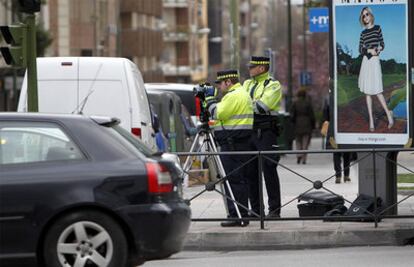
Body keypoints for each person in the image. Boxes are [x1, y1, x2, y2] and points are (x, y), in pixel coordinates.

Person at [204, 69, 254, 227]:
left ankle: (236, 215)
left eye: (220, 84)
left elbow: (218, 113)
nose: (219, 88)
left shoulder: (233, 96)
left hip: (232, 144)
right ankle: (241, 213)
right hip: (238, 143)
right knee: (239, 179)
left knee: (233, 180)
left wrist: (210, 100)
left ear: (228, 82)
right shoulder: (241, 93)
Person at [243, 56, 282, 218]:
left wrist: (245, 103)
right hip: (249, 132)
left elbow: (262, 106)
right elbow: (249, 104)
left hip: (266, 133)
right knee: (250, 173)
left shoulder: (273, 85)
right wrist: (249, 103)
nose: (249, 69)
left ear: (261, 68)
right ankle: (256, 210)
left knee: (269, 171)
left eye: (252, 67)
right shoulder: (247, 83)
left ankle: (274, 210)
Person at [358, 6, 393, 132]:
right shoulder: (363, 33)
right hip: (366, 62)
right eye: (363, 15)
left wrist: (378, 50)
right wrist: (368, 50)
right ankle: (371, 121)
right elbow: (360, 49)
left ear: (371, 15)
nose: (365, 17)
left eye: (367, 14)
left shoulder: (378, 28)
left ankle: (389, 115)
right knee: (368, 93)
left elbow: (382, 44)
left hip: (375, 61)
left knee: (378, 91)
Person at [321, 95, 351, 184]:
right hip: (345, 130)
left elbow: (325, 117)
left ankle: (338, 175)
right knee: (347, 153)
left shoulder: (329, 100)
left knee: (336, 153)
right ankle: (346, 175)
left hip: (333, 131)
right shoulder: (347, 100)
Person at [290, 89, 315, 164]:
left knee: (298, 141)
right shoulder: (308, 103)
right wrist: (313, 126)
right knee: (305, 142)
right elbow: (312, 116)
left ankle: (298, 155)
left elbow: (292, 115)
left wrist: (293, 123)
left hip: (297, 124)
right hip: (307, 124)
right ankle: (304, 159)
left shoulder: (295, 103)